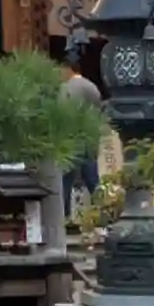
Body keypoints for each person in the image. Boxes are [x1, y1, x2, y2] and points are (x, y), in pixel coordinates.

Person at [60, 62, 103, 213]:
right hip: (89, 137)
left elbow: (63, 113)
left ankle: (64, 214)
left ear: (68, 69)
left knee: (66, 179)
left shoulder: (66, 87)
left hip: (71, 138)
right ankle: (102, 209)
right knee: (92, 178)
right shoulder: (91, 87)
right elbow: (98, 109)